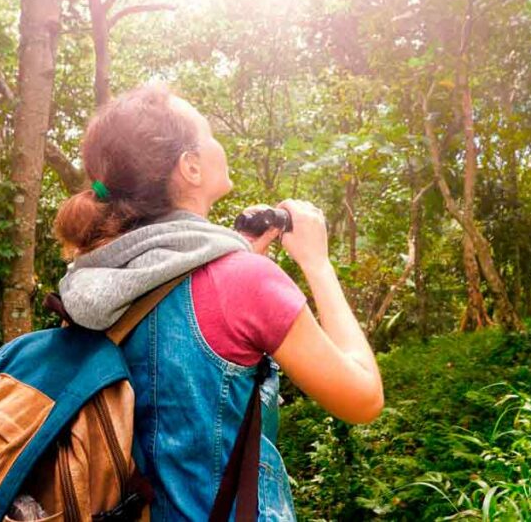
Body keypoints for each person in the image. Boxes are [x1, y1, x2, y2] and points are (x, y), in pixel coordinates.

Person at [51, 83, 383, 521]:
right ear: (190, 167)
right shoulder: (244, 282)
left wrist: (240, 259)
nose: (217, 145)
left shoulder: (90, 281)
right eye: (208, 134)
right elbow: (362, 399)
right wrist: (317, 264)